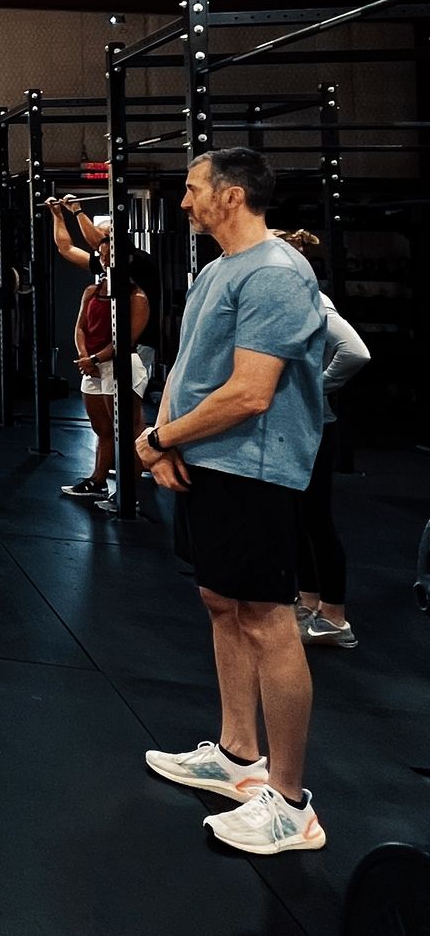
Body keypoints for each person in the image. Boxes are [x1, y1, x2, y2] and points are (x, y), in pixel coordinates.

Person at [137, 149, 327, 855]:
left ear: (231, 195)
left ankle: (290, 801)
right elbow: (187, 368)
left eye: (192, 190)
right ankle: (237, 753)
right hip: (207, 462)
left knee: (265, 617)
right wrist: (165, 441)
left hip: (256, 468)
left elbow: (251, 392)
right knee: (220, 600)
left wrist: (159, 437)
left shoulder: (278, 272)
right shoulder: (218, 269)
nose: (184, 203)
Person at [276, 229, 371, 650]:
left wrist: (316, 387)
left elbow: (356, 352)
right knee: (295, 520)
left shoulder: (315, 301)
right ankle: (309, 602)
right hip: (292, 424)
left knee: (317, 520)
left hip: (315, 425)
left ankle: (336, 617)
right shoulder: (284, 302)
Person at [47, 196, 156, 505]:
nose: (103, 250)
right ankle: (97, 481)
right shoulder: (98, 282)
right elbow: (66, 248)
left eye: (109, 242)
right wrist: (58, 215)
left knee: (129, 427)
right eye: (103, 246)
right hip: (96, 361)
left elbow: (125, 340)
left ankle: (129, 493)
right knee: (103, 427)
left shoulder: (137, 270)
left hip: (130, 355)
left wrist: (77, 209)